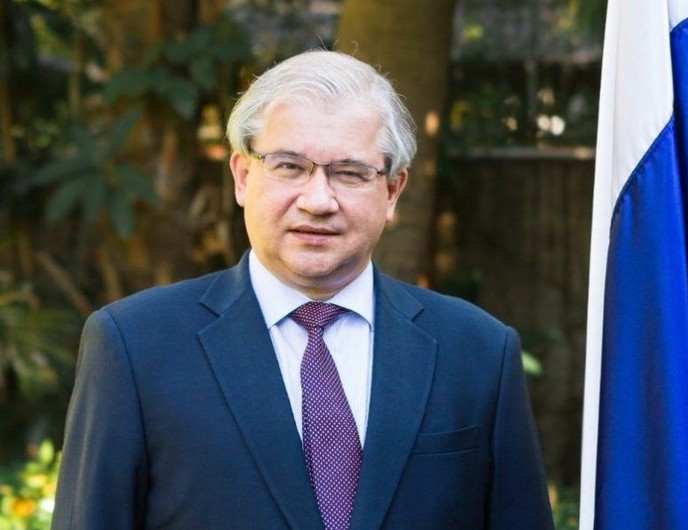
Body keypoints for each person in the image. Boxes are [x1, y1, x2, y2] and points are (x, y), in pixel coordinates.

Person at [51, 50, 554, 530]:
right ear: (243, 176)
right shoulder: (135, 347)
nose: (317, 201)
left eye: (350, 173)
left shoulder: (478, 351)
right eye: (289, 166)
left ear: (392, 191)